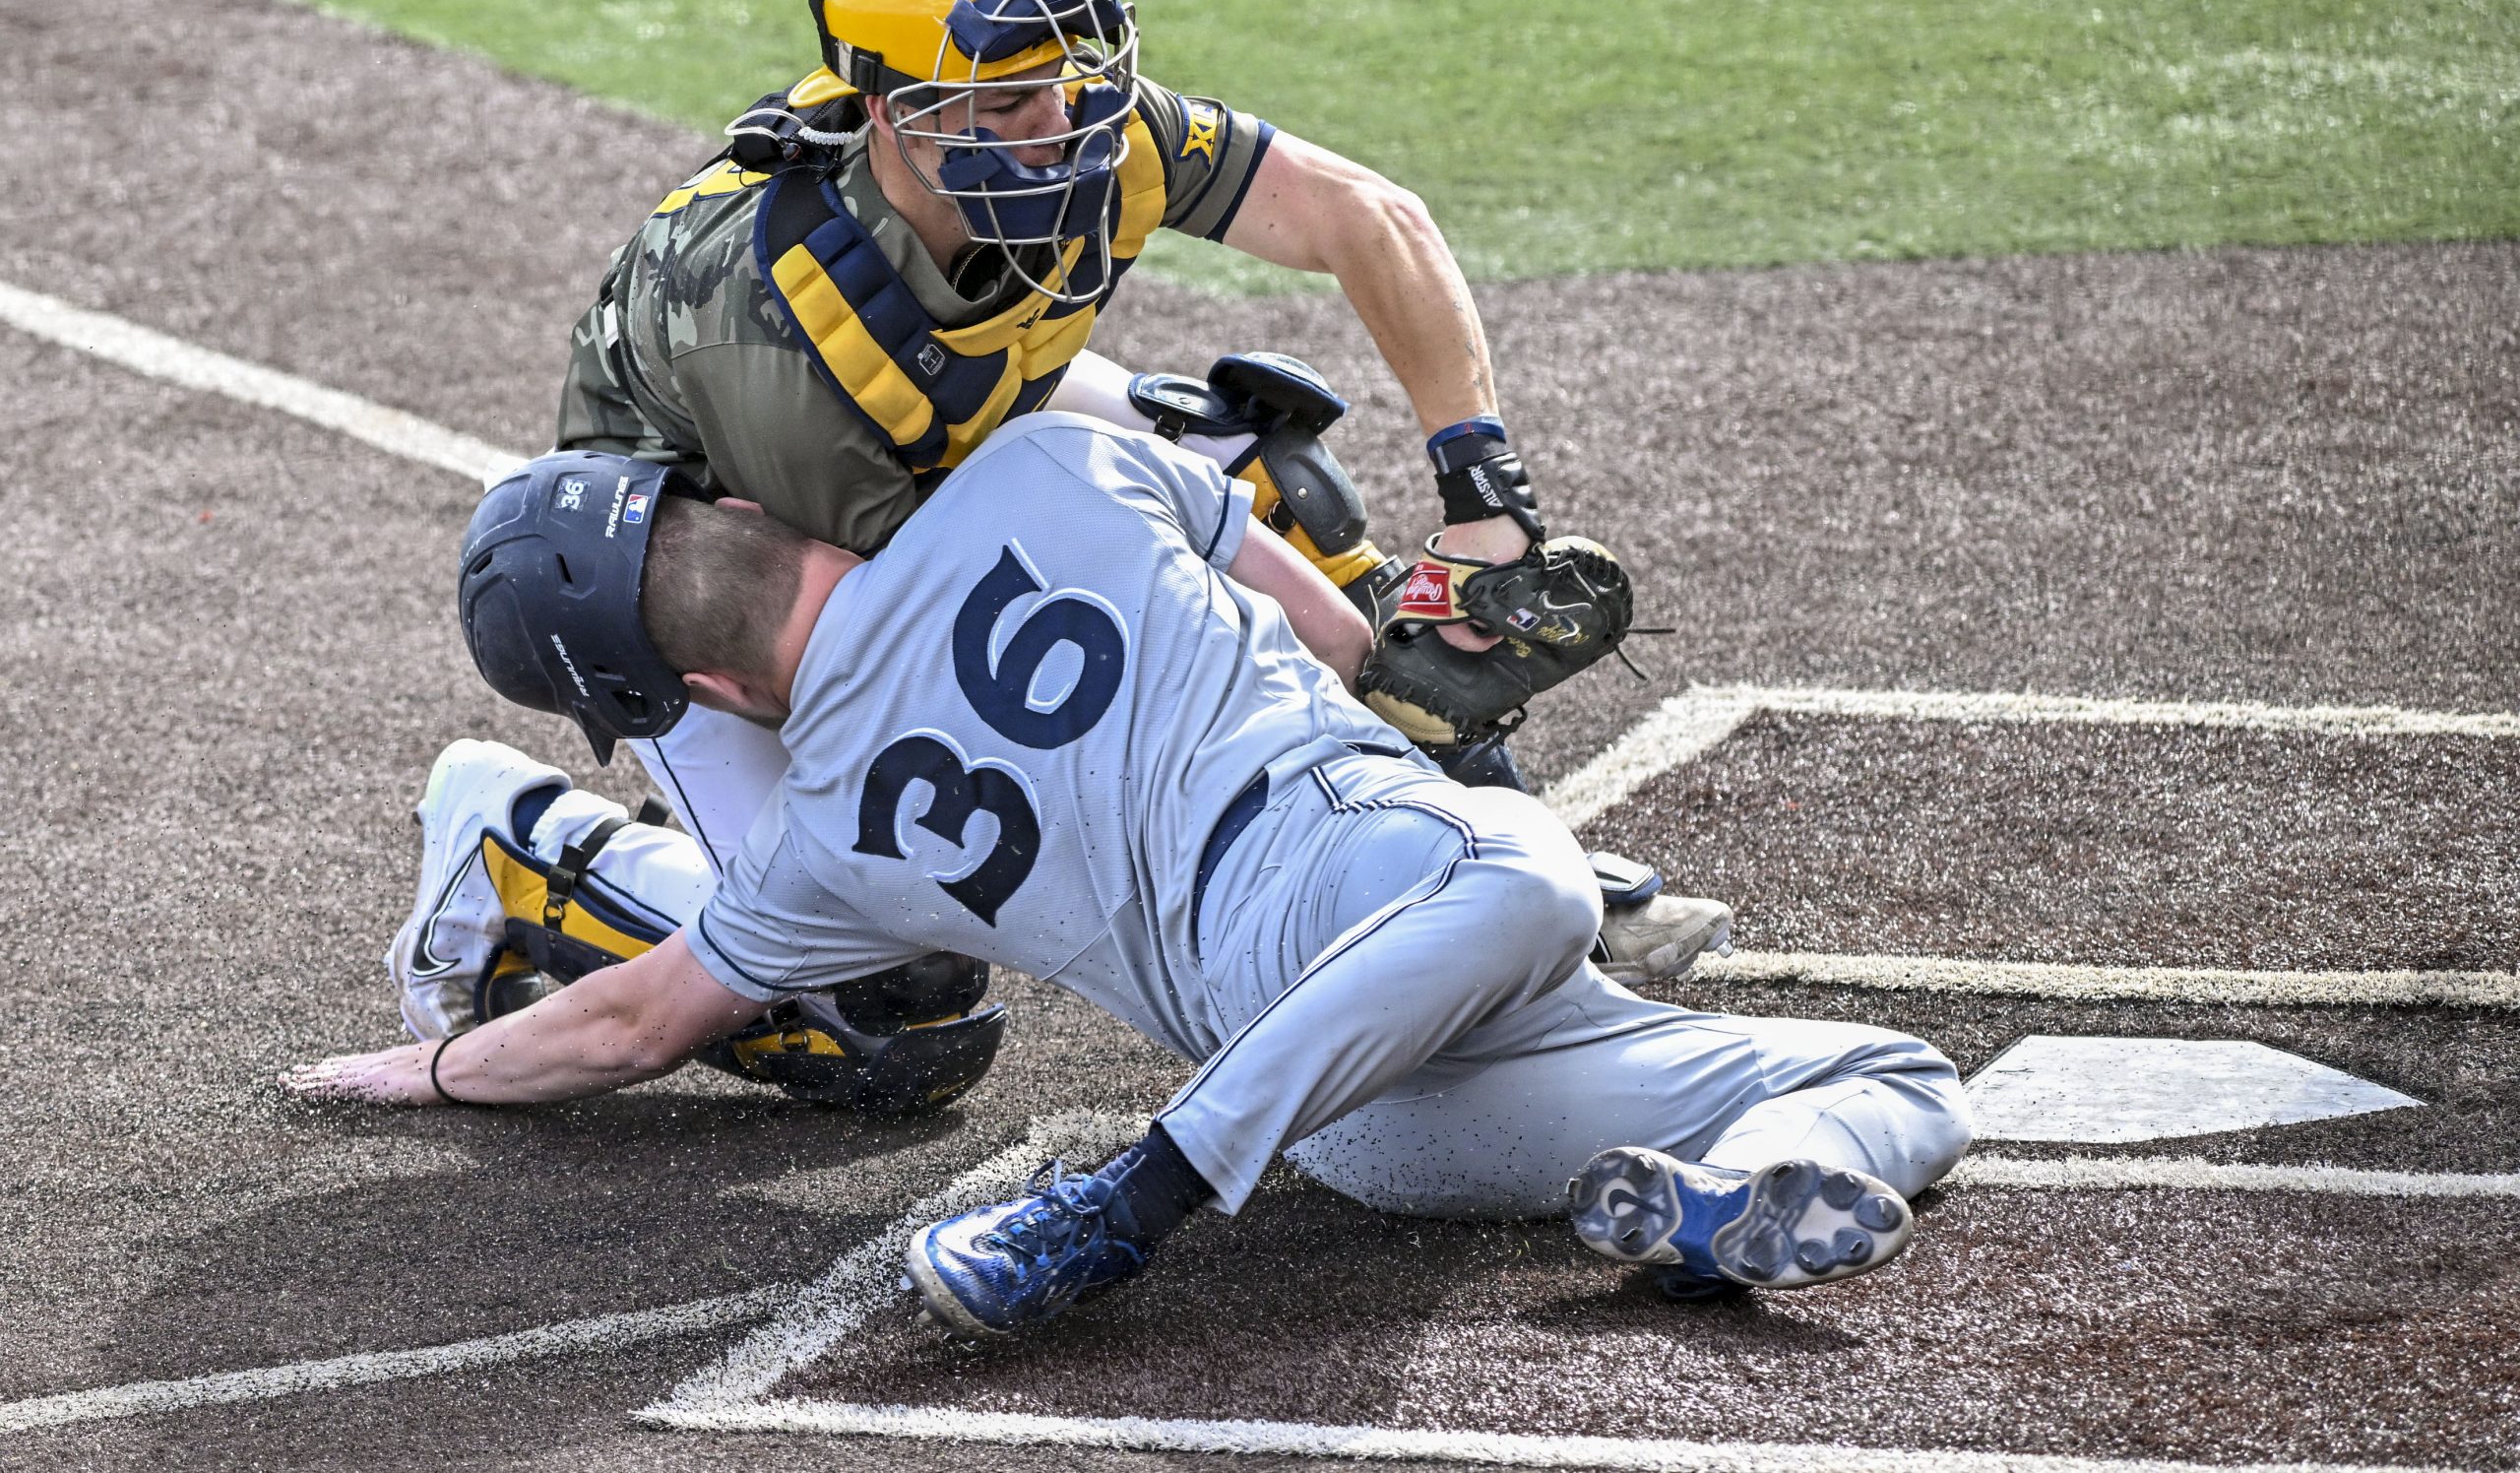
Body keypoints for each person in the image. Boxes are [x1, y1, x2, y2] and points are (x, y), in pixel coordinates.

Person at [288, 419, 1972, 1331]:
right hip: (1399, 889)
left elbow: (630, 1027)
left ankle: (1734, 1198)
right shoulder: (1051, 461)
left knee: (1891, 1081)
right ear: (736, 501)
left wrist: (428, 1066)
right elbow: (1343, 633)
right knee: (1528, 885)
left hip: (1357, 1119)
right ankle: (1126, 1207)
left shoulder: (824, 850)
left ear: (697, 693)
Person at [544, 0, 1692, 981]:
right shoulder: (782, 330)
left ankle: (1486, 841)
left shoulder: (1086, 136)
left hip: (940, 414)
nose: (1059, 128)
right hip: (713, 575)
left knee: (1264, 477)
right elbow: (891, 649)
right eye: (1005, 104)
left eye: (1059, 81)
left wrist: (1481, 494)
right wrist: (1303, 661)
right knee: (886, 995)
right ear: (897, 115)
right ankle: (536, 847)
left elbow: (1366, 216)